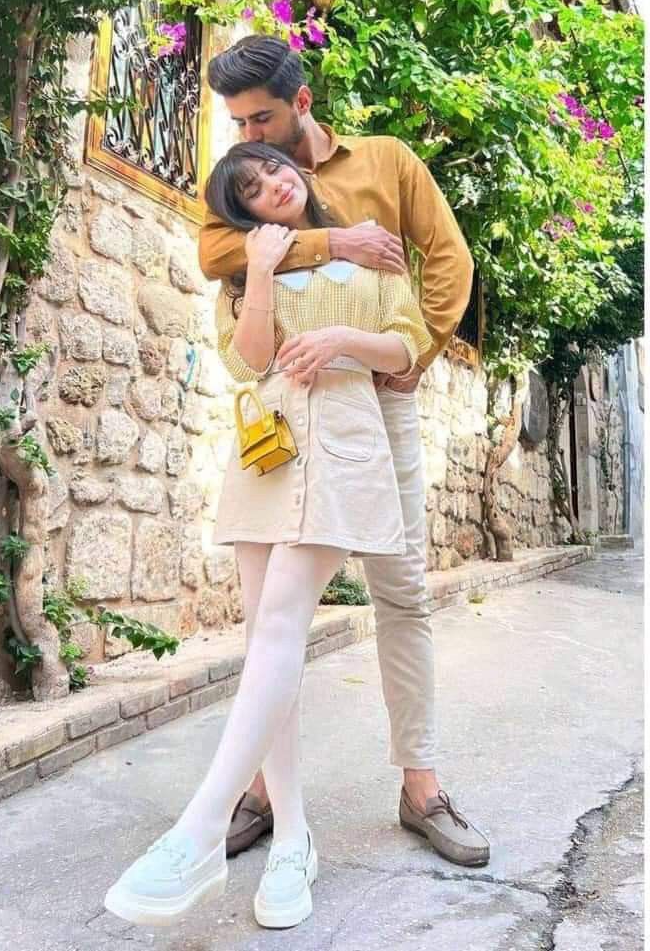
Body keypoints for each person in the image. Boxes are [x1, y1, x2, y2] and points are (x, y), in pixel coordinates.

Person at [104, 141, 433, 930]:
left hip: (348, 442)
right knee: (266, 643)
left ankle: (200, 828)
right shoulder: (248, 266)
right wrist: (257, 272)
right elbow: (250, 361)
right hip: (268, 447)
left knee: (283, 620)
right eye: (250, 189)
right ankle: (291, 837)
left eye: (275, 170)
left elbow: (407, 344)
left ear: (300, 173)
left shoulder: (370, 244)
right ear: (246, 212)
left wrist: (339, 341)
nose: (272, 187)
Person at [200, 35, 491, 870]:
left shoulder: (389, 162)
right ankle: (263, 789)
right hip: (281, 413)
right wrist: (338, 244)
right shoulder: (243, 174)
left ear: (302, 101)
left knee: (401, 589)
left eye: (261, 117)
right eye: (236, 121)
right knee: (271, 615)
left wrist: (415, 354)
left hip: (372, 401)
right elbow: (219, 254)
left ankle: (421, 784)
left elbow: (447, 259)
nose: (248, 136)